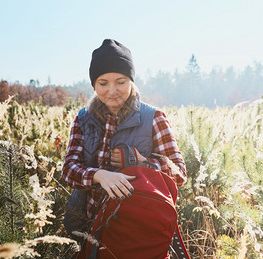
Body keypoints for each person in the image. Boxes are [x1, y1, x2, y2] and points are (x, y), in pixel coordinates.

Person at [61, 39, 187, 237]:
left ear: (131, 81)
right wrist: (99, 175)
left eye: (120, 82)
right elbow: (68, 170)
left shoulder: (153, 118)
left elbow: (179, 173)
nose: (112, 91)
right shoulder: (83, 119)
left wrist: (141, 162)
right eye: (103, 83)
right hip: (86, 226)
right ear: (94, 84)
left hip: (135, 230)